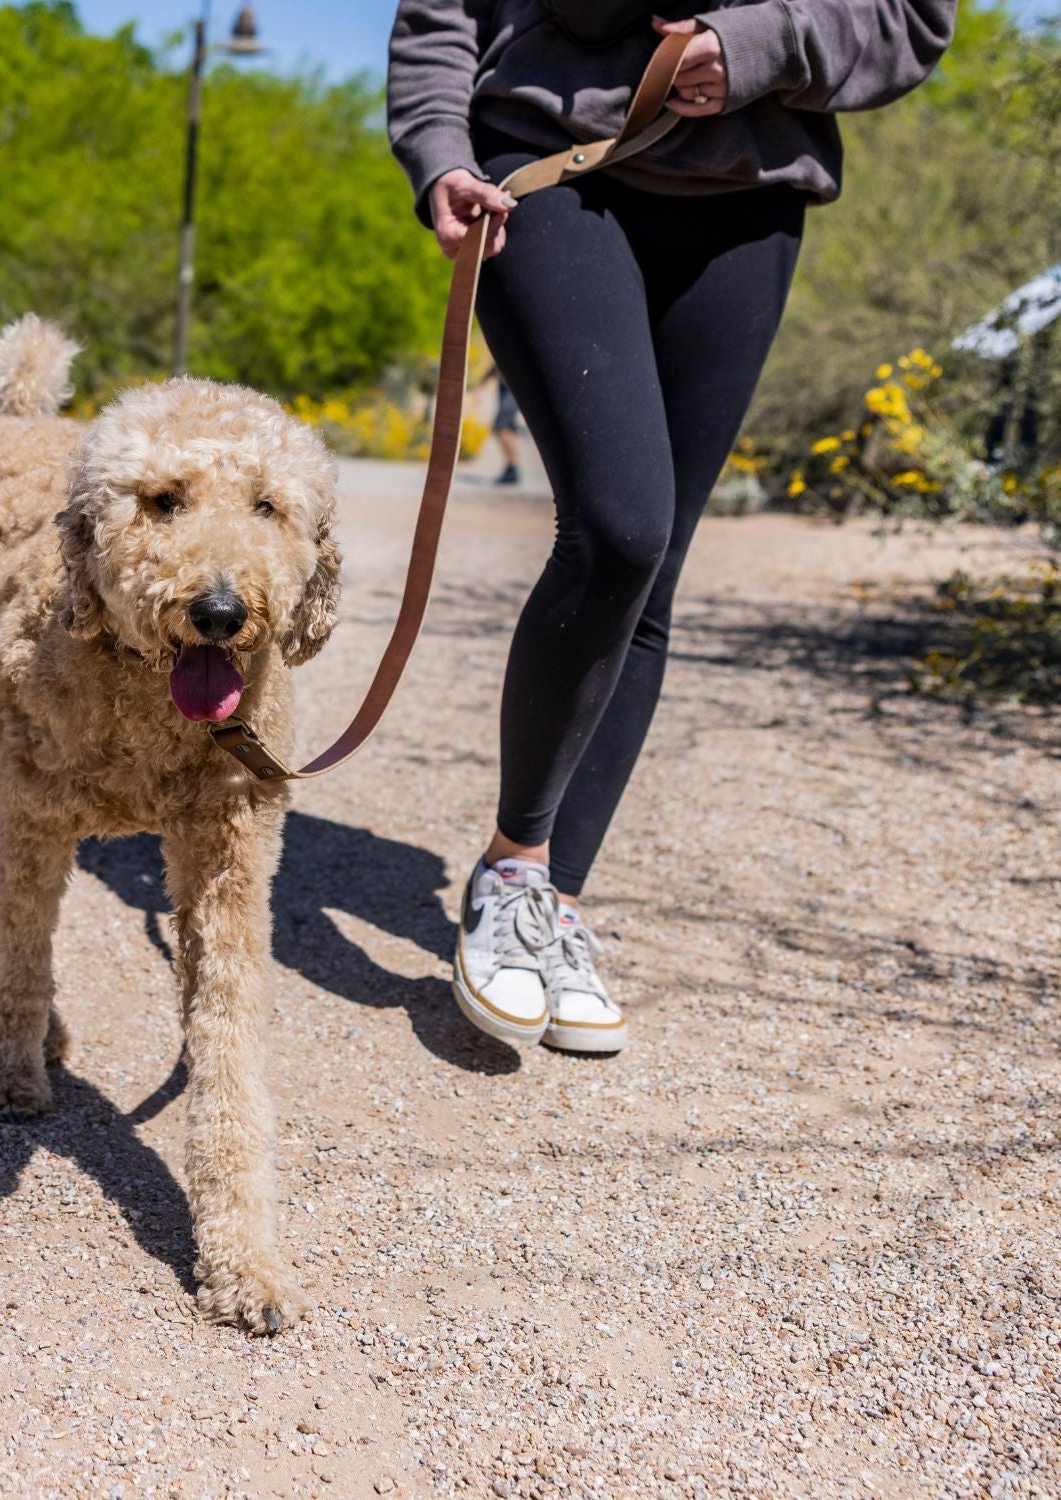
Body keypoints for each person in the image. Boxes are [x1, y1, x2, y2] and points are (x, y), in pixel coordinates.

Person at [388, 1, 956, 1055]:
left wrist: (757, 46)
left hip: (748, 192)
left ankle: (552, 902)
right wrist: (437, 150)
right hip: (550, 161)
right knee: (620, 527)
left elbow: (912, 18)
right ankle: (513, 868)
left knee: (654, 574)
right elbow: (443, 12)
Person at [491, 376, 523, 485]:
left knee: (502, 428)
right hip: (506, 387)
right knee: (507, 429)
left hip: (511, 388)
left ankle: (512, 467)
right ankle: (511, 467)